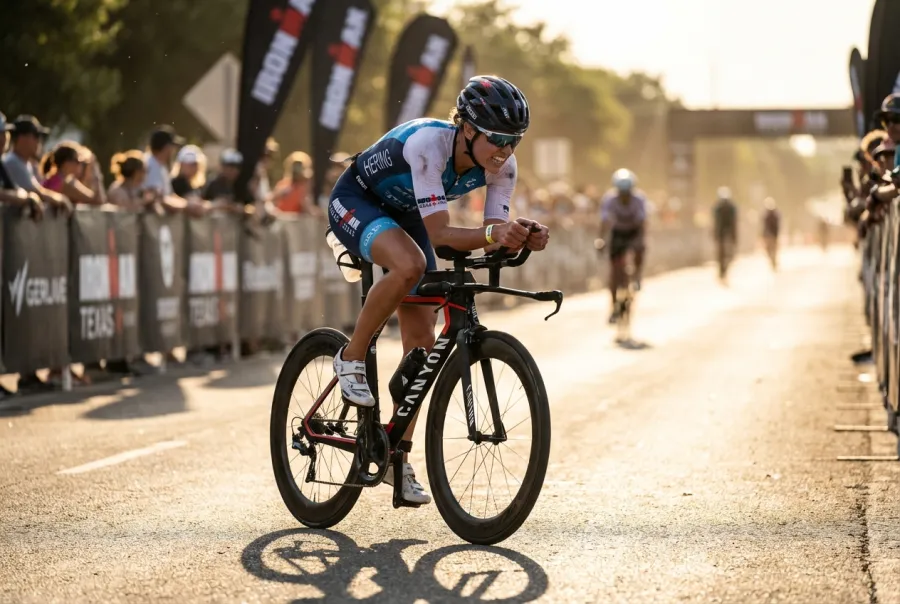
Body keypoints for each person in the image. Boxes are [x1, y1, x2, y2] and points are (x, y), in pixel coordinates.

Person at [326, 75, 548, 505]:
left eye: (514, 141)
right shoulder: (430, 145)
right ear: (466, 128)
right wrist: (496, 234)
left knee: (422, 343)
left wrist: (518, 236)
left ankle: (397, 458)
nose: (504, 151)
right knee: (410, 265)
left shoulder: (503, 166)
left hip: (406, 215)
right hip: (357, 200)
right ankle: (350, 357)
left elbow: (489, 229)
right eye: (497, 138)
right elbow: (444, 236)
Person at [596, 168, 647, 324]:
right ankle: (613, 307)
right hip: (618, 232)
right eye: (622, 193)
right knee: (614, 272)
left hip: (633, 231)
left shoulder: (639, 199)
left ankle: (637, 275)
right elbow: (604, 221)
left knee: (640, 249)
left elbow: (642, 222)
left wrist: (640, 241)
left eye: (627, 193)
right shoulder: (610, 199)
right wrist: (601, 239)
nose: (624, 197)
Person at [712, 187, 738, 281]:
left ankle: (723, 271)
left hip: (726, 234)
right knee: (722, 254)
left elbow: (734, 223)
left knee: (726, 254)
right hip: (723, 235)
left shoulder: (728, 208)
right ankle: (722, 271)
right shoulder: (720, 208)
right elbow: (716, 222)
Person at [761, 197, 781, 270]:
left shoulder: (774, 214)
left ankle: (774, 261)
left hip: (772, 235)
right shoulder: (766, 215)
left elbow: (777, 226)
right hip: (769, 235)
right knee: (770, 250)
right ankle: (773, 261)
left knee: (772, 250)